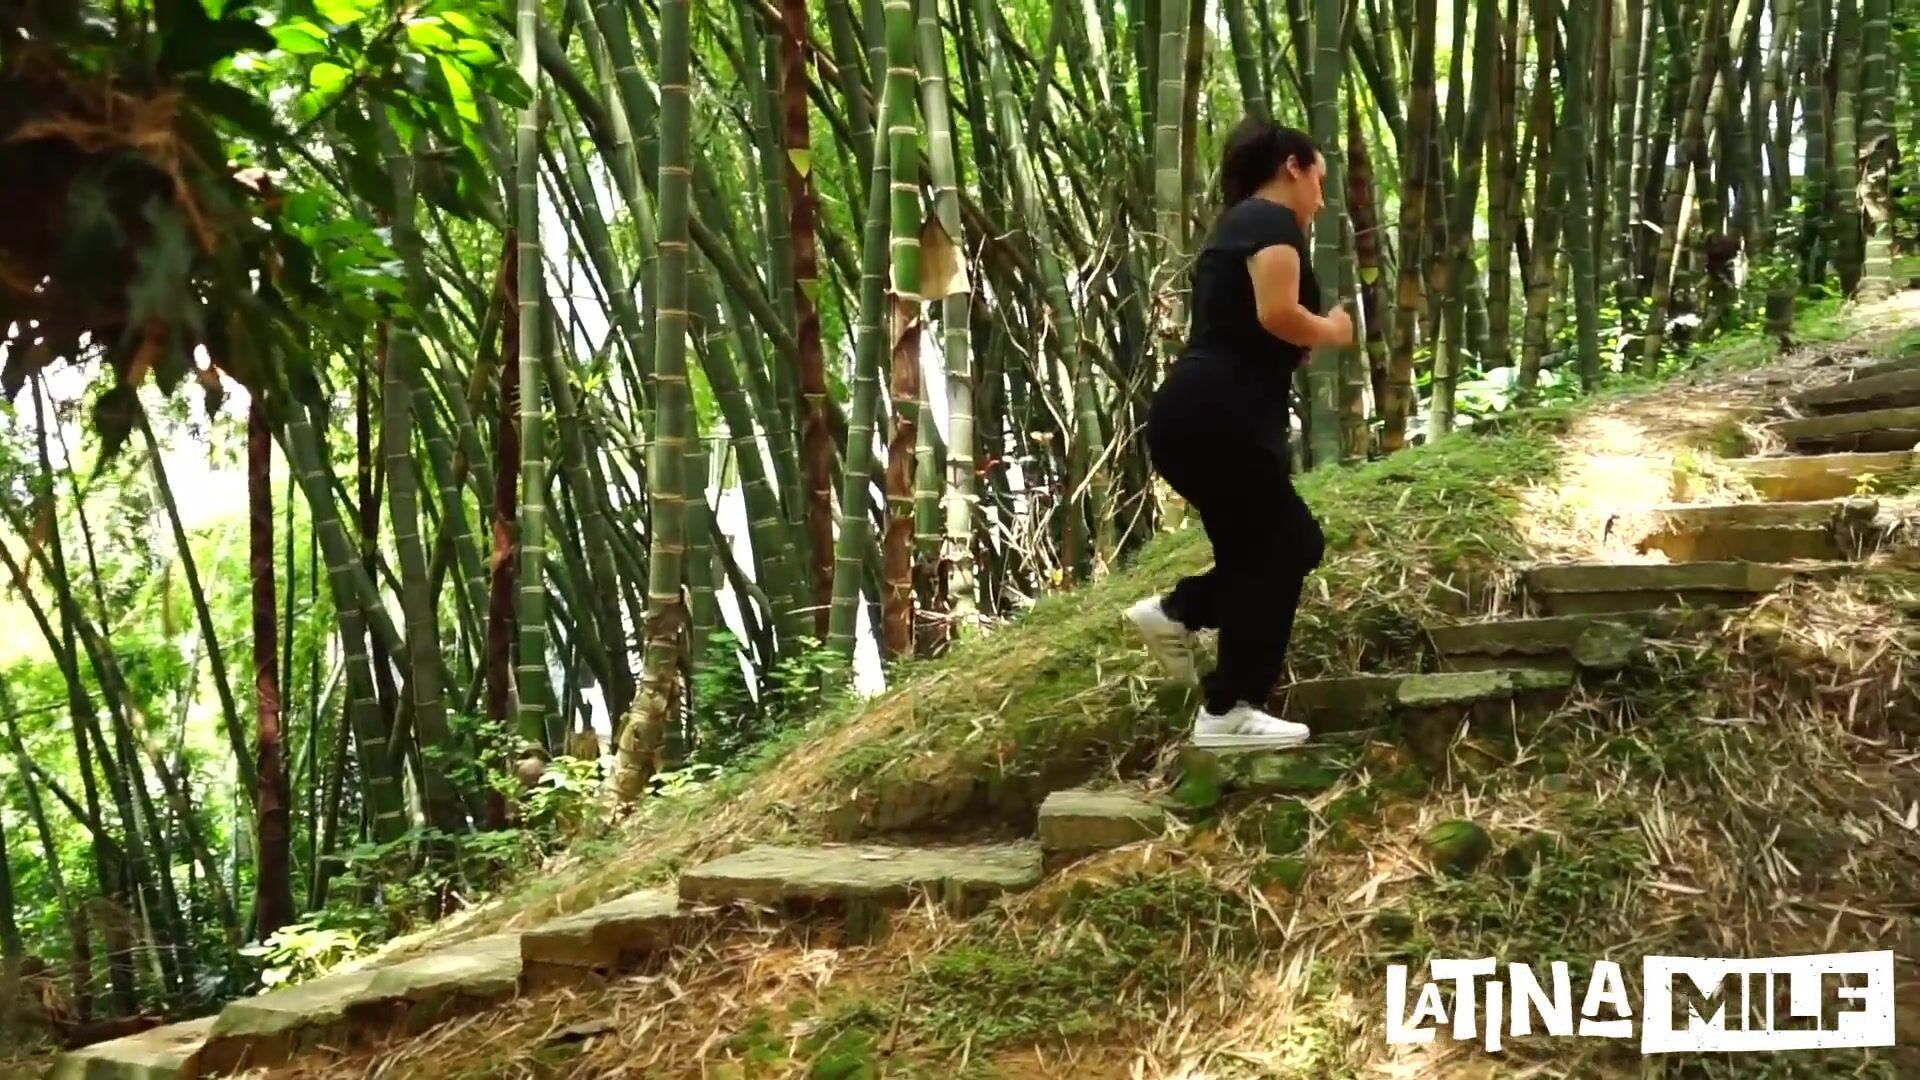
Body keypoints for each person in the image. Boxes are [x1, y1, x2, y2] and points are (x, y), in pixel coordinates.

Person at [1126, 118, 1354, 750]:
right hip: (1218, 416)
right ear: (1292, 167)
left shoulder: (1240, 227)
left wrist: (1296, 342)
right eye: (1319, 180)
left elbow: (1256, 327)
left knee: (1271, 551)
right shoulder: (1269, 220)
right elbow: (1277, 313)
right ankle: (1225, 704)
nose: (1321, 199)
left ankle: (1185, 620)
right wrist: (1332, 329)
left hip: (1204, 415)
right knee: (1286, 546)